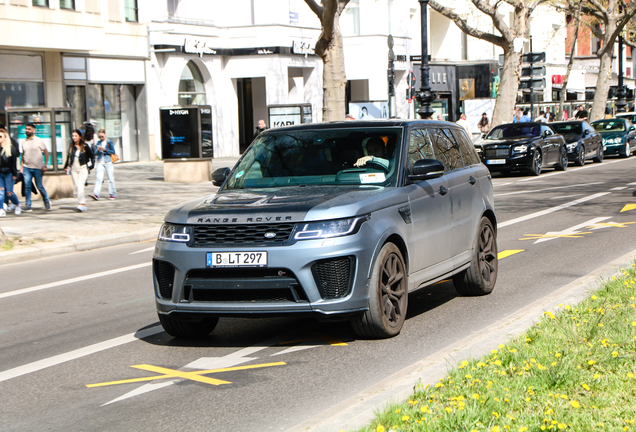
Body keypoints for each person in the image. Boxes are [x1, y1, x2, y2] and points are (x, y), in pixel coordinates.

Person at [21, 123, 52, 212]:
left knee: (39, 186)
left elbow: (46, 152)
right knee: (27, 186)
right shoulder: (24, 142)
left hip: (38, 168)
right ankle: (28, 204)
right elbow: (23, 155)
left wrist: (45, 165)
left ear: (34, 131)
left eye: (29, 129)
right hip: (27, 167)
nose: (27, 130)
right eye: (26, 129)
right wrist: (22, 167)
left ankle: (46, 200)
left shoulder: (39, 140)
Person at [63, 129, 94, 212]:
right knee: (78, 187)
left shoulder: (85, 146)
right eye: (73, 136)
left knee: (80, 186)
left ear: (80, 137)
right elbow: (69, 157)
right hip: (74, 169)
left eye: (75, 136)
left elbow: (92, 156)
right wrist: (66, 166)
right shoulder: (71, 146)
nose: (74, 137)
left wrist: (91, 166)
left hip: (83, 168)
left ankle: (81, 204)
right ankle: (83, 205)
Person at [90, 128, 117, 201]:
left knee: (110, 178)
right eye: (100, 136)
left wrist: (105, 150)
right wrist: (98, 150)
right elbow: (95, 153)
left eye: (102, 136)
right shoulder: (98, 142)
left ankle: (112, 194)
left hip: (108, 161)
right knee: (99, 178)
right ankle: (96, 194)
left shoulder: (109, 142)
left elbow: (113, 151)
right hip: (100, 162)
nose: (101, 138)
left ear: (105, 134)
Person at [0, 130, 21, 216]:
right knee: (1, 192)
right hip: (0, 173)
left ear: (5, 138)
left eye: (0, 136)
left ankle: (17, 204)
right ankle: (1, 209)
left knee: (9, 192)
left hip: (9, 173)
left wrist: (14, 174)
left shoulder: (11, 148)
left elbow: (13, 163)